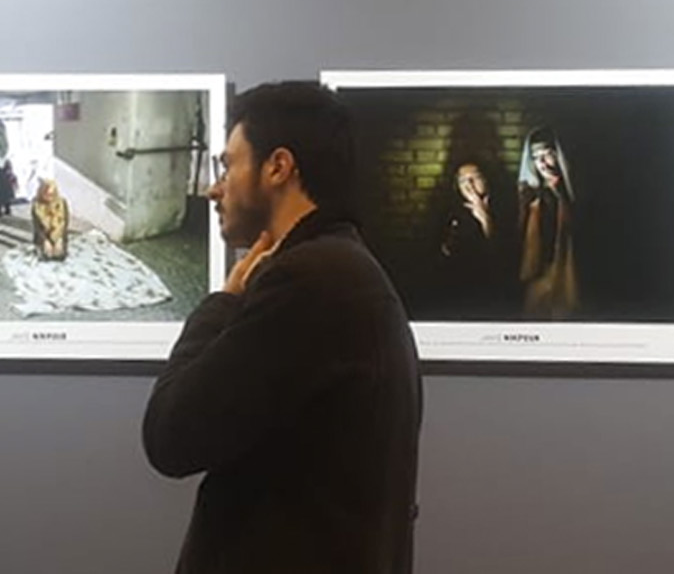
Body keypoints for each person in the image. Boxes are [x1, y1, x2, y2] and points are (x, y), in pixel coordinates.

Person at [143, 82, 421, 574]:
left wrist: (224, 300)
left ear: (278, 167)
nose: (214, 187)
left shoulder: (310, 282)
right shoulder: (346, 270)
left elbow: (171, 433)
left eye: (228, 165)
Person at [517, 127, 580, 318]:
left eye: (547, 155)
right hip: (538, 273)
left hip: (569, 272)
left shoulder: (575, 192)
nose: (542, 163)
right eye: (536, 157)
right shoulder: (530, 194)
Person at [437, 161, 508, 315]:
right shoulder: (450, 210)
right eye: (463, 180)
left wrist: (485, 218)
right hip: (458, 290)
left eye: (474, 178)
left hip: (493, 292)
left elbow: (502, 254)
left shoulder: (505, 206)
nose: (469, 184)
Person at [32, 177, 69, 261]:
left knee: (59, 256)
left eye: (52, 195)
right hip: (43, 237)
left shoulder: (62, 202)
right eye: (46, 195)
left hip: (58, 236)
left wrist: (59, 239)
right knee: (46, 257)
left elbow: (65, 223)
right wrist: (45, 241)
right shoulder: (36, 204)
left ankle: (59, 246)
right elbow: (37, 227)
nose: (49, 198)